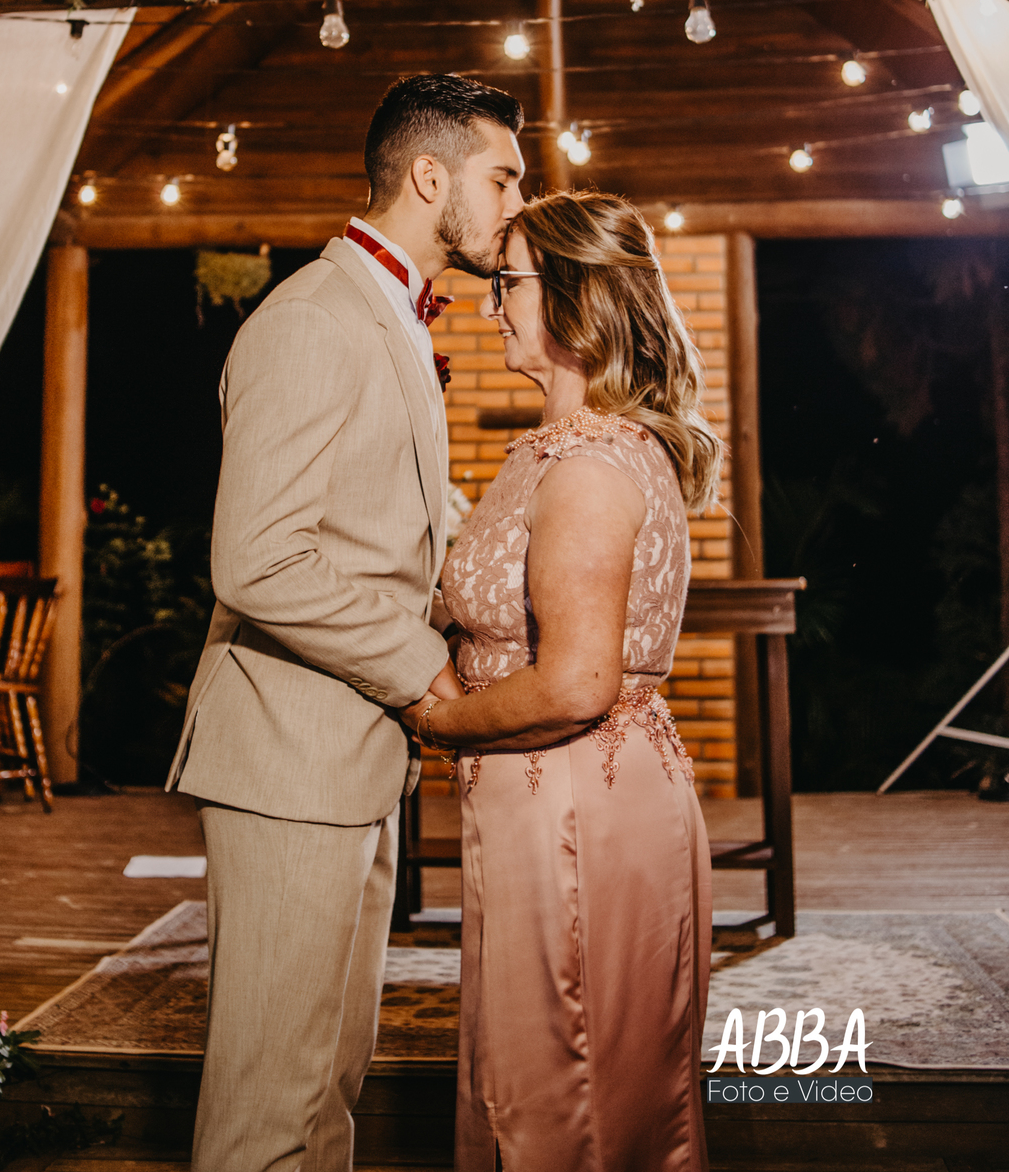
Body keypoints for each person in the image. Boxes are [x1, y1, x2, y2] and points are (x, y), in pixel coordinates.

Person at [166, 72, 525, 1172]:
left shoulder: (391, 313)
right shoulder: (313, 319)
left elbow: (392, 518)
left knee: (328, 1088)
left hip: (351, 759)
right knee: (269, 1111)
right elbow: (258, 558)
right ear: (430, 178)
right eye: (504, 179)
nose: (518, 205)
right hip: (288, 760)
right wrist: (424, 669)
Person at [403, 191, 722, 1172]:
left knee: (566, 1107)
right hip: (556, 807)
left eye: (509, 283)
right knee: (551, 1088)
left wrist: (437, 720)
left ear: (576, 297)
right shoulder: (564, 448)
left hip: (577, 813)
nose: (490, 303)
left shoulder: (588, 468)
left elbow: (579, 684)